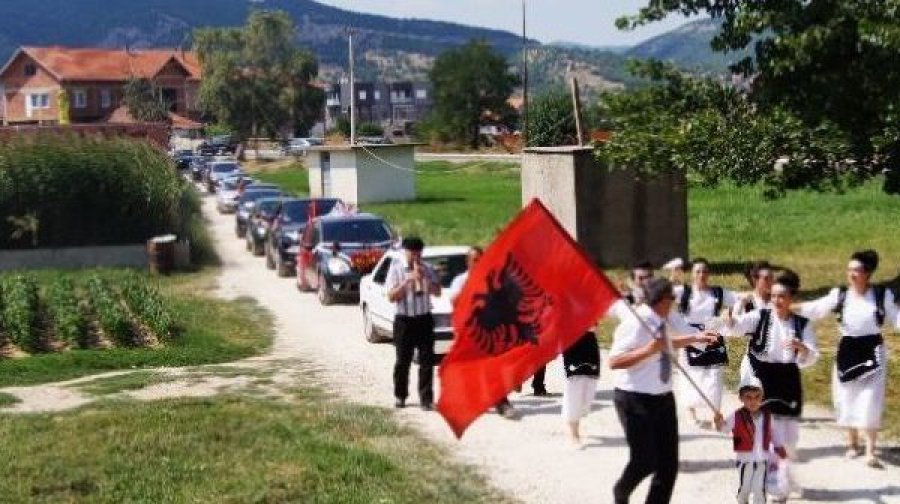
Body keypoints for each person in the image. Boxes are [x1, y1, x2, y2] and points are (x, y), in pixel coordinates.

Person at [609, 277, 719, 504]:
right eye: (671, 298)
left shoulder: (663, 317)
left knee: (668, 463)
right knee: (645, 460)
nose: (674, 302)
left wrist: (695, 338)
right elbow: (614, 361)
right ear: (661, 300)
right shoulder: (635, 322)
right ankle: (621, 492)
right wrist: (648, 350)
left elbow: (667, 342)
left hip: (663, 398)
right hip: (634, 398)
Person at [797, 250, 899, 468]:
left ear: (868, 273)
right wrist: (787, 307)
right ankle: (853, 443)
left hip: (873, 350)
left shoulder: (882, 295)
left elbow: (897, 318)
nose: (852, 274)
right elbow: (815, 309)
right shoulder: (840, 295)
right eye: (850, 269)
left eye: (857, 270)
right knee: (846, 396)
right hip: (847, 350)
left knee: (871, 398)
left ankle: (871, 450)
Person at [727, 270, 817, 499]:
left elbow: (812, 356)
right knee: (769, 436)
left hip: (789, 382)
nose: (777, 300)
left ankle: (784, 476)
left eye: (782, 296)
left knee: (789, 439)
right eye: (774, 295)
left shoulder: (802, 324)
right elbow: (737, 327)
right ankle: (775, 486)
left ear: (791, 298)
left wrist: (802, 348)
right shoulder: (760, 316)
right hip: (765, 380)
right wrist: (731, 318)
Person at [448, 246, 518, 419]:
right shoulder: (460, 280)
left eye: (481, 259)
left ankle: (502, 403)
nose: (478, 262)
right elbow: (454, 302)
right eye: (474, 260)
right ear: (468, 262)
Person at [674, 258, 738, 426]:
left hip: (712, 335)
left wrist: (728, 313)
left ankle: (715, 412)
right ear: (692, 274)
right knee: (690, 376)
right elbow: (661, 294)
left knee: (714, 377)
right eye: (698, 271)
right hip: (690, 336)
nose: (701, 275)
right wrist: (672, 277)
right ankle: (690, 410)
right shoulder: (684, 292)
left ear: (708, 274)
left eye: (704, 271)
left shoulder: (717, 292)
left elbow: (738, 301)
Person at [713, 376, 788, 504]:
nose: (753, 401)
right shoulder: (736, 416)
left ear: (762, 397)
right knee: (745, 488)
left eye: (757, 397)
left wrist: (780, 449)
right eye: (748, 397)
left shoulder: (768, 416)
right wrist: (717, 421)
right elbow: (722, 428)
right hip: (744, 460)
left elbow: (775, 435)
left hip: (762, 459)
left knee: (760, 489)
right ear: (741, 398)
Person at [387, 236, 441, 411]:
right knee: (403, 361)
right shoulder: (396, 268)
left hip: (424, 319)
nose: (416, 256)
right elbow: (391, 296)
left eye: (419, 253)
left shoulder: (428, 268)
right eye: (412, 253)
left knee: (427, 361)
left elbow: (438, 292)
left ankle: (426, 399)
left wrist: (426, 280)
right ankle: (400, 395)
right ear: (406, 252)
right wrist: (408, 280)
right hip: (404, 320)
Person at [562, 330, 601, 446]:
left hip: (590, 340)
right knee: (575, 385)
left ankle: (578, 414)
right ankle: (573, 432)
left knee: (590, 383)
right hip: (571, 340)